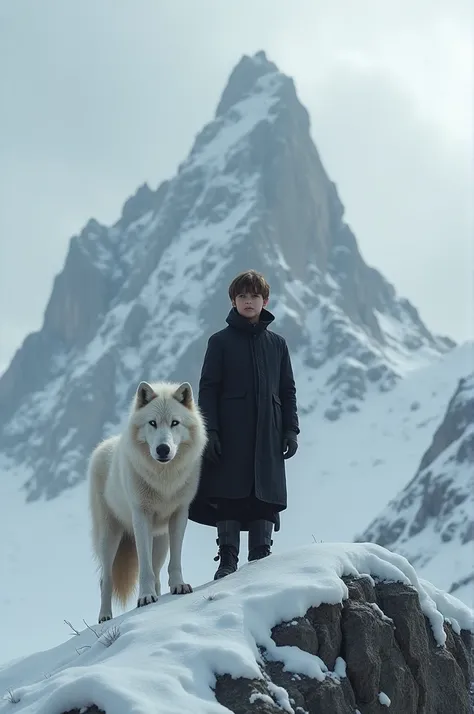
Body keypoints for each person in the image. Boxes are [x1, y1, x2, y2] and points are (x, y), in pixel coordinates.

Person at [188, 269, 299, 579]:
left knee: (265, 499)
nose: (248, 302)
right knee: (229, 496)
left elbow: (287, 390)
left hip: (269, 433)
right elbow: (208, 388)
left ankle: (261, 559)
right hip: (230, 432)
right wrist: (210, 431)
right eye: (242, 297)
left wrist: (291, 429)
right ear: (233, 301)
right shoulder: (219, 342)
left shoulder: (277, 344)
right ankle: (227, 561)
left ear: (265, 301)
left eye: (254, 296)